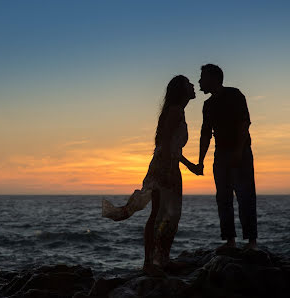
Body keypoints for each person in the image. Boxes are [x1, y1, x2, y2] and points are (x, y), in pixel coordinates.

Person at [102, 75, 202, 276]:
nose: (193, 86)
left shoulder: (177, 111)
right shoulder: (174, 112)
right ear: (181, 90)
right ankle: (150, 262)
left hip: (170, 165)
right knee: (159, 214)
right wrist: (166, 170)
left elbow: (173, 147)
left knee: (170, 214)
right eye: (189, 83)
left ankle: (161, 259)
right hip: (164, 167)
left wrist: (189, 165)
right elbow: (164, 144)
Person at [197, 64, 258, 251]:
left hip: (241, 152)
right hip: (220, 154)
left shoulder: (234, 95)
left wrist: (239, 151)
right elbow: (205, 134)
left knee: (245, 196)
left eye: (202, 77)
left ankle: (251, 242)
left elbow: (244, 123)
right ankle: (230, 240)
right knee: (223, 198)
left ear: (214, 79)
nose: (199, 81)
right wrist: (200, 161)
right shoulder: (207, 105)